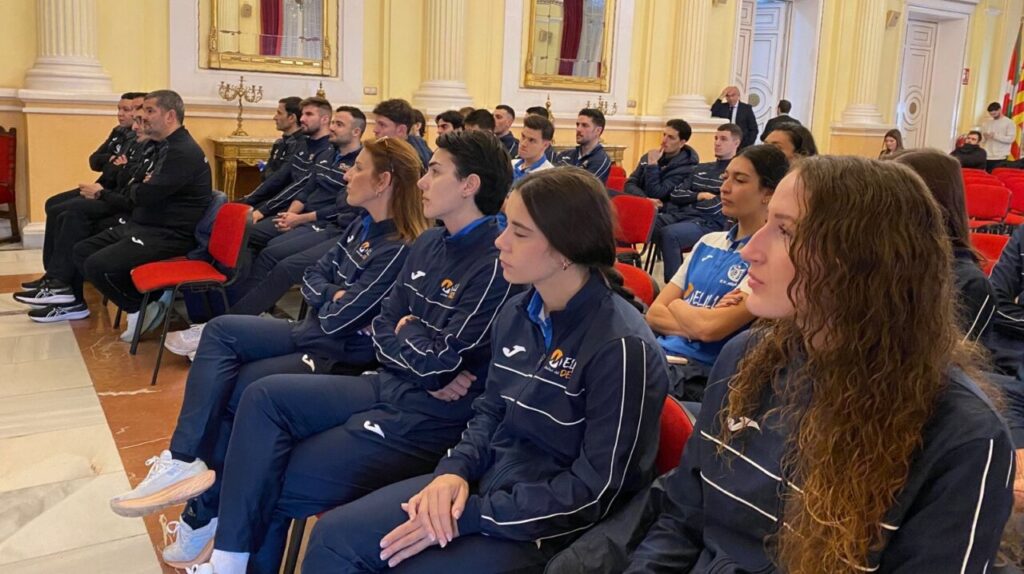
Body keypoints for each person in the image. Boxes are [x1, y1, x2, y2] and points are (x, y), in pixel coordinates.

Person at [627, 156, 1015, 573]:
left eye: (785, 231)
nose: (752, 250)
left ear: (862, 261)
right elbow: (682, 522)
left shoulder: (962, 435)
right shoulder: (745, 358)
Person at [172, 130, 516, 574]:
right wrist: (406, 333)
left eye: (435, 171)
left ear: (469, 185)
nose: (424, 183)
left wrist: (402, 332)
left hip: (427, 415)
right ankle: (228, 556)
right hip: (385, 383)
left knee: (277, 475)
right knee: (263, 396)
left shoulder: (492, 262)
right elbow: (383, 328)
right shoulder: (430, 242)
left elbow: (438, 367)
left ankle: (231, 558)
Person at [301, 167, 670, 573]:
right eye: (505, 225)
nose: (499, 242)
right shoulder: (517, 310)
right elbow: (491, 409)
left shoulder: (620, 346)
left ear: (567, 249)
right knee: (335, 538)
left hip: (550, 528)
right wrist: (452, 473)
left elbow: (596, 490)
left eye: (519, 232)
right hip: (488, 484)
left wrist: (475, 515)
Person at [109, 137, 430, 569]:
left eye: (358, 168)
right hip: (313, 332)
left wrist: (330, 298)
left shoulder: (400, 244)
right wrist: (332, 295)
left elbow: (338, 318)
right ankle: (185, 465)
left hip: (339, 352)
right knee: (222, 334)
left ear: (383, 181)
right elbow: (314, 277)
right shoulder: (361, 223)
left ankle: (208, 517)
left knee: (244, 388)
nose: (347, 174)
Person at [33, 91, 212, 332]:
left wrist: (140, 185)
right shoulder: (162, 146)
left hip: (168, 234)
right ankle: (144, 304)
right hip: (144, 224)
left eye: (150, 111)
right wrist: (141, 184)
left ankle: (140, 305)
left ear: (170, 116)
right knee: (82, 249)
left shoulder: (181, 151)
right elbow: (134, 182)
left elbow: (143, 194)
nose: (143, 117)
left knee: (97, 264)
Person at [646, 145, 788, 401]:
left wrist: (678, 305)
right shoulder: (709, 242)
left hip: (701, 376)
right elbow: (655, 314)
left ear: (768, 193)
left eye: (740, 180)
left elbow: (711, 330)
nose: (724, 188)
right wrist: (696, 320)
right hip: (662, 355)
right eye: (726, 178)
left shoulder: (767, 256)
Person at [894, 149, 1023, 378]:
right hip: (1003, 348)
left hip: (957, 378)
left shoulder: (968, 281)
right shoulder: (897, 264)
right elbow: (1000, 299)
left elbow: (946, 369)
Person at [16, 97, 155, 309]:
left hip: (121, 204)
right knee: (57, 207)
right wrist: (113, 165)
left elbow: (129, 185)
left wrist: (108, 184)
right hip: (110, 193)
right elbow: (96, 162)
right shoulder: (123, 134)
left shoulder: (156, 147)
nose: (126, 118)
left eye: (135, 114)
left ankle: (61, 285)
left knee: (72, 213)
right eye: (123, 110)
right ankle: (55, 278)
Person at [657, 123, 742, 283]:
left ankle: (675, 287)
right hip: (683, 215)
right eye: (716, 138)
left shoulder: (733, 174)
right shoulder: (701, 167)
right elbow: (676, 193)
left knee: (670, 234)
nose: (717, 143)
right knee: (649, 221)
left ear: (736, 143)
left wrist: (688, 200)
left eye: (723, 139)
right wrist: (700, 195)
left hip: (709, 223)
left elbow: (715, 207)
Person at [245, 97, 333, 229]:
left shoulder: (328, 150)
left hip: (302, 210)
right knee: (239, 216)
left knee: (250, 230)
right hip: (285, 203)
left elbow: (301, 186)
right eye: (302, 114)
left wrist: (264, 211)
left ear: (325, 119)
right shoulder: (304, 144)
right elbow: (281, 177)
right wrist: (248, 200)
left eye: (309, 114)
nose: (302, 119)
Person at [623, 119, 699, 205]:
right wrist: (644, 199)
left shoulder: (687, 168)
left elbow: (657, 193)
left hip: (661, 212)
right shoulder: (650, 156)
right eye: (664, 135)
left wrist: (652, 165)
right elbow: (629, 184)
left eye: (671, 137)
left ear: (682, 143)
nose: (664, 140)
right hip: (640, 202)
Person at [555, 108, 612, 183]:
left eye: (584, 125)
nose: (578, 129)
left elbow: (584, 187)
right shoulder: (564, 155)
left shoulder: (601, 159)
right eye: (577, 125)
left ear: (598, 130)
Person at [373, 98, 432, 170]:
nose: (375, 130)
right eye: (375, 123)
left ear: (401, 130)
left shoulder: (409, 163)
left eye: (382, 125)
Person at [261, 96, 303, 181]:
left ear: (291, 118)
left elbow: (282, 178)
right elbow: (266, 174)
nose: (274, 117)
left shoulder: (300, 144)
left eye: (279, 113)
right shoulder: (279, 143)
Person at [511, 114, 555, 181]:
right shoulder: (511, 165)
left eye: (531, 140)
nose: (523, 144)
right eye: (523, 136)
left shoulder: (549, 176)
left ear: (545, 145)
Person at [984, 102, 1016, 171]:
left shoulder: (1009, 122)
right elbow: (983, 140)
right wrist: (985, 137)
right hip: (987, 155)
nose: (993, 116)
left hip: (1000, 157)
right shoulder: (988, 123)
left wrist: (995, 136)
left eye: (994, 113)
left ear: (1000, 110)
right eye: (991, 114)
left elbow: (1011, 139)